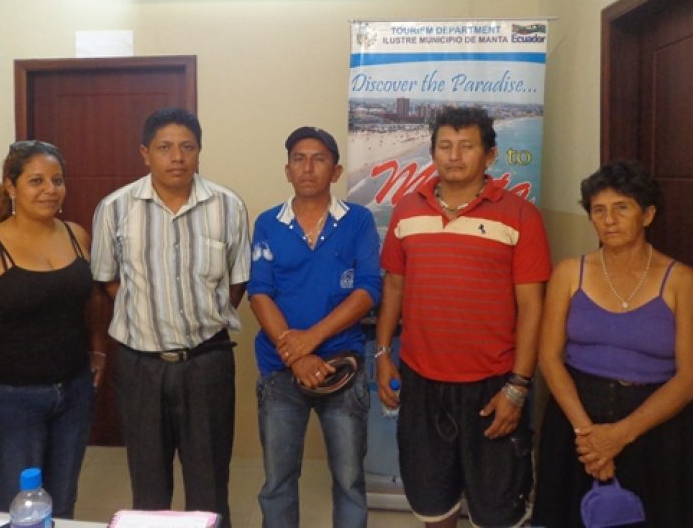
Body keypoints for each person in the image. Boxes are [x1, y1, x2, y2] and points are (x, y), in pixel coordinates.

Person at [375, 105, 552, 528]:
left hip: (492, 387)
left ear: (489, 155)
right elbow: (394, 288)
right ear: (433, 152)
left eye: (466, 146)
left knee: (499, 511)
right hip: (422, 384)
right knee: (434, 505)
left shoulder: (521, 216)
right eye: (445, 146)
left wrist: (518, 387)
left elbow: (532, 308)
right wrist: (383, 353)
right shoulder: (406, 211)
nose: (454, 156)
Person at [90, 107, 250, 527]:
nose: (176, 157)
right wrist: (150, 312)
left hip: (206, 364)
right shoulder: (114, 208)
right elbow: (108, 281)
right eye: (164, 147)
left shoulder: (228, 206)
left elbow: (236, 284)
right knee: (148, 486)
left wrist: (200, 315)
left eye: (187, 147)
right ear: (145, 153)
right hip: (140, 366)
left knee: (210, 485)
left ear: (199, 153)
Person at [532, 159, 693, 528]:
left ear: (647, 215)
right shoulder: (569, 273)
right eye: (599, 211)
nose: (609, 220)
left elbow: (691, 378)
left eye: (621, 208)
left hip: (655, 427)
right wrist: (589, 436)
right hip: (577, 421)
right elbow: (549, 358)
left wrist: (618, 436)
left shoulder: (683, 281)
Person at [0, 140, 105, 518]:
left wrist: (98, 349)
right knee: (20, 509)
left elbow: (93, 300)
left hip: (74, 393)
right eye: (36, 181)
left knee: (62, 503)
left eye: (57, 180)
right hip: (11, 401)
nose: (50, 189)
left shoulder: (77, 236)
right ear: (11, 187)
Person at [249, 126, 381, 528]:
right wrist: (298, 356)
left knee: (349, 479)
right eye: (298, 159)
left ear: (336, 170)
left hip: (343, 368)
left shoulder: (357, 221)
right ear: (287, 169)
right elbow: (259, 293)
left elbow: (367, 291)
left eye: (319, 158)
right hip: (280, 371)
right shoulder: (269, 222)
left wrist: (311, 341)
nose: (308, 167)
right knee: (278, 480)